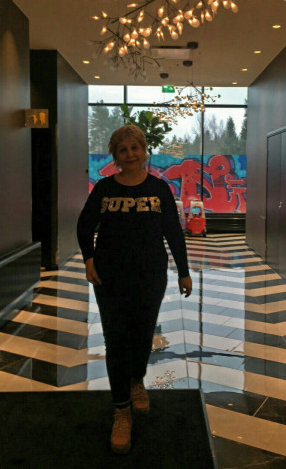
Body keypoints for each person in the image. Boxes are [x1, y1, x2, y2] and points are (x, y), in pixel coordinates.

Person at [77, 124, 192, 455]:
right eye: (122, 149)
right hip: (110, 276)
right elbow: (84, 226)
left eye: (134, 148)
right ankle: (121, 410)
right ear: (115, 155)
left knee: (142, 334)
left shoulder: (159, 188)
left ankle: (136, 380)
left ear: (144, 151)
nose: (129, 154)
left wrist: (184, 272)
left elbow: (173, 231)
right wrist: (89, 259)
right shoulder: (104, 188)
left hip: (150, 275)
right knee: (115, 339)